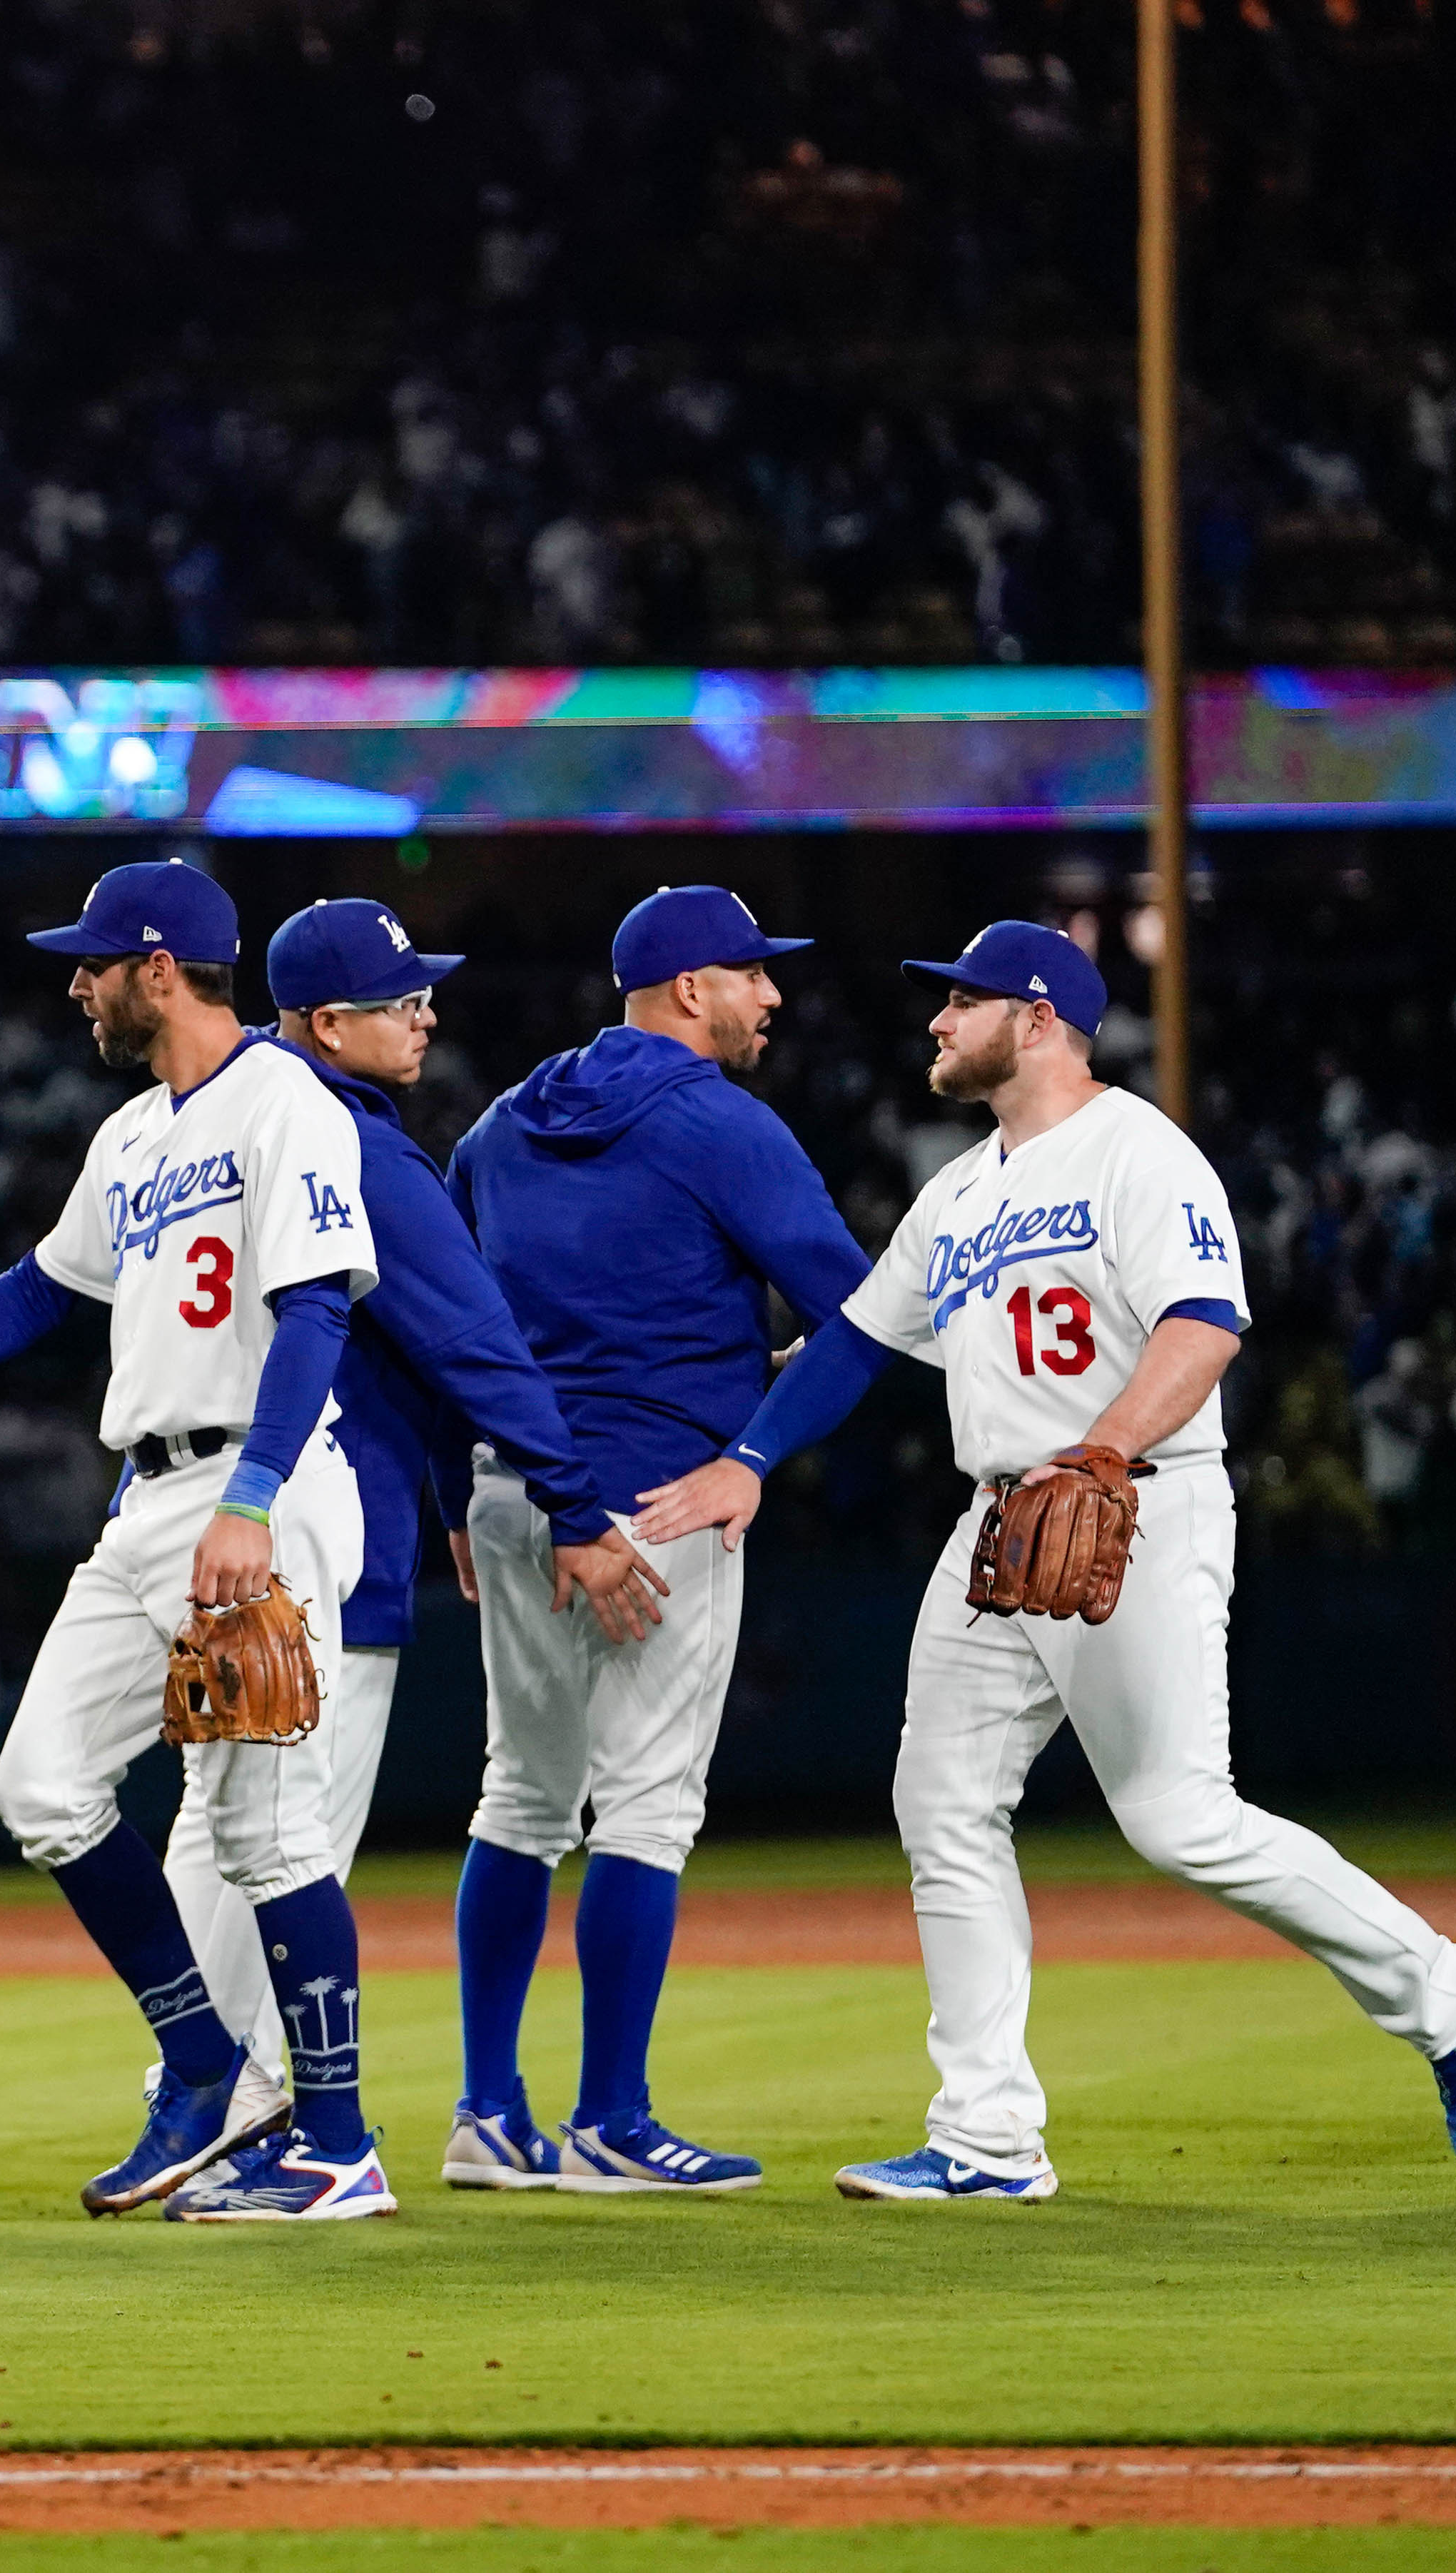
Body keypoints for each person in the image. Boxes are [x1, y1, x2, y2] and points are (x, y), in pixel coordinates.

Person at [637, 921, 1456, 2196]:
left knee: (1179, 1818)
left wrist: (1100, 1451)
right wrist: (753, 1457)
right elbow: (854, 1342)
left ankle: (1447, 1989)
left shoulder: (1140, 1154)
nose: (937, 1021)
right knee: (941, 1805)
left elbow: (1205, 1327)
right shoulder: (960, 1189)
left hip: (1134, 1503)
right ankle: (986, 2136)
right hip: (1000, 1521)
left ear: (1039, 1014)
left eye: (961, 1001)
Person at [0, 859, 393, 2224]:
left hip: (257, 1485)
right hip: (151, 1500)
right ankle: (204, 2062)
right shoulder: (132, 1136)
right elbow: (34, 1293)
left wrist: (253, 1501)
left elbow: (318, 1316)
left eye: (94, 962)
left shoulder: (288, 1100)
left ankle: (339, 2142)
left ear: (158, 967)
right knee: (43, 1783)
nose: (77, 983)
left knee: (269, 1830)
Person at [162, 900, 663, 2163]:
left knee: (215, 1833)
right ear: (329, 1024)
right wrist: (577, 1506)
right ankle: (279, 2123)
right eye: (401, 998)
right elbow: (476, 1346)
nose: (428, 1012)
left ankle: (204, 2104)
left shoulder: (209, 1123)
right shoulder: (356, 1146)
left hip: (202, 1515)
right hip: (328, 1539)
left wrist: (455, 1490)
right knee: (289, 1843)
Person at [437, 884, 867, 2194]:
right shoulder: (723, 1123)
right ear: (690, 991)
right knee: (646, 1808)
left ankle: (487, 2112)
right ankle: (612, 2121)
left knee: (519, 1793)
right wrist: (753, 1453)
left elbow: (434, 1314)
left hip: (516, 1496)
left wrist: (453, 1497)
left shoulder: (503, 1122)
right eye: (750, 973)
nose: (770, 995)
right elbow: (864, 1317)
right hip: (657, 1503)